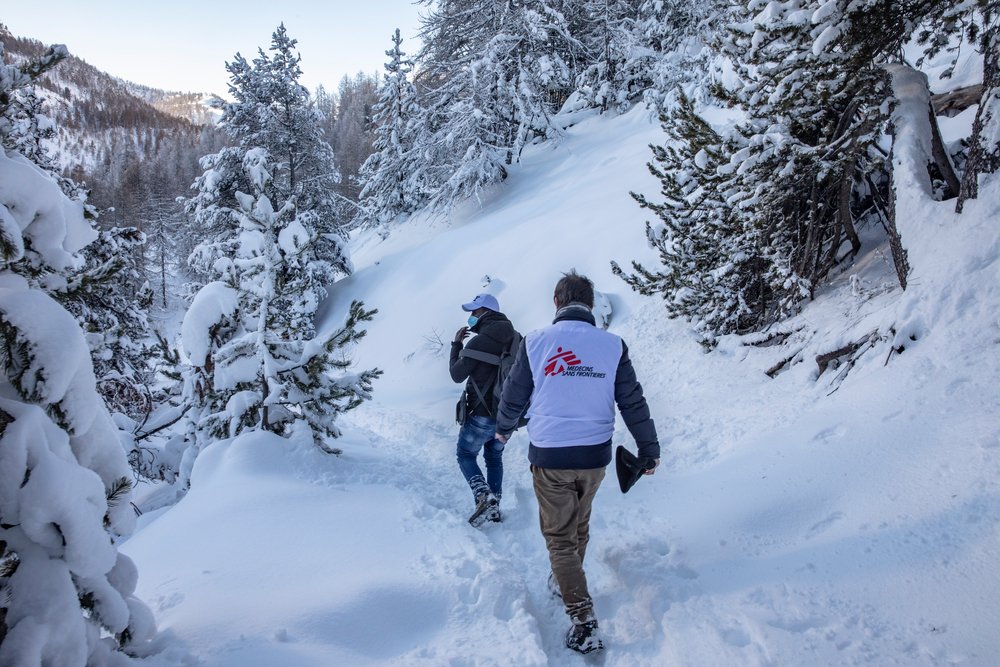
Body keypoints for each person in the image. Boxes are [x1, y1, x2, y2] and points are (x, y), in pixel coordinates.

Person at [494, 271, 660, 654]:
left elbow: (513, 396)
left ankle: (583, 620)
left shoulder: (536, 342)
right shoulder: (612, 345)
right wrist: (649, 449)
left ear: (557, 302)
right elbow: (632, 402)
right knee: (579, 522)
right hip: (594, 456)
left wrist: (503, 430)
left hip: (551, 455)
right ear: (590, 303)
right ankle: (565, 580)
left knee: (559, 538)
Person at [450, 293, 516, 526]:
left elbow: (457, 375)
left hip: (481, 414)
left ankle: (482, 495)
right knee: (494, 457)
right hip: (507, 416)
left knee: (466, 455)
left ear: (485, 312)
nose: (470, 316)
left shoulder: (478, 342)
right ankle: (494, 505)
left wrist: (457, 344)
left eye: (474, 312)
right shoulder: (516, 339)